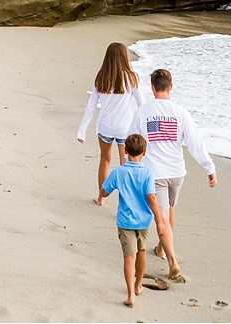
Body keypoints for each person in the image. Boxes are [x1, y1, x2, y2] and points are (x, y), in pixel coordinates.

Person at [128, 68, 217, 278]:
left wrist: (129, 166)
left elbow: (131, 140)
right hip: (177, 172)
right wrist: (209, 167)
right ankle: (161, 248)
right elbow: (195, 143)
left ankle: (173, 262)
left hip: (155, 173)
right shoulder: (181, 113)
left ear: (151, 88)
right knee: (168, 211)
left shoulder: (143, 112)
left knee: (161, 219)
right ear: (171, 87)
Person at [100, 133, 166, 308]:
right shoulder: (148, 173)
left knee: (129, 258)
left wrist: (103, 192)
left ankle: (130, 295)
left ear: (126, 150)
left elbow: (105, 191)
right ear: (144, 152)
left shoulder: (119, 172)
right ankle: (138, 286)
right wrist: (160, 222)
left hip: (125, 221)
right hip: (144, 221)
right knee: (142, 252)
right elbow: (152, 198)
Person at [77, 42, 144, 206]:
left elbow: (91, 106)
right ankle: (126, 201)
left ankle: (101, 198)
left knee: (105, 160)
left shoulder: (101, 77)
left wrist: (82, 130)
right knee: (125, 163)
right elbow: (142, 105)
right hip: (125, 129)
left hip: (105, 127)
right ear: (124, 57)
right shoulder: (131, 77)